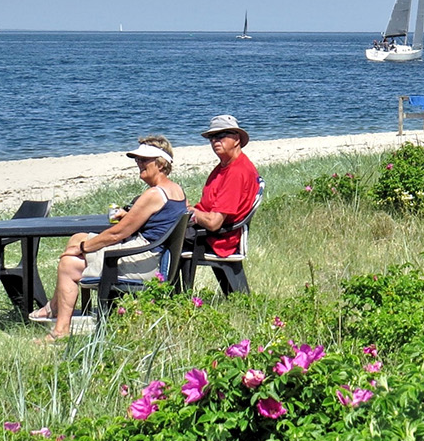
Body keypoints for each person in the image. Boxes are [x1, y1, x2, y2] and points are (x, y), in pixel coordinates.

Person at [33, 136, 188, 341]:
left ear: (160, 164)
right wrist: (82, 242)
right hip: (152, 255)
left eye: (144, 160)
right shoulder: (175, 189)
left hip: (143, 261)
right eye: (137, 160)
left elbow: (118, 233)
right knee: (77, 237)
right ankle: (54, 307)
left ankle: (60, 331)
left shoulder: (154, 194)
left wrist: (83, 247)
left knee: (68, 264)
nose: (139, 164)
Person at [191, 114, 261, 259]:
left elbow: (213, 223)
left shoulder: (236, 172)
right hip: (211, 232)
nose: (215, 140)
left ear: (237, 139)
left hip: (219, 239)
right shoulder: (225, 166)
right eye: (212, 137)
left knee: (161, 233)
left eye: (221, 135)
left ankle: (162, 281)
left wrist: (189, 211)